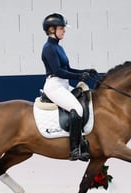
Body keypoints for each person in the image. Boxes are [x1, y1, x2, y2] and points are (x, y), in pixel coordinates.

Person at [41, 13, 98, 161]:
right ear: (51, 30)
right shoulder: (48, 48)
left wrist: (85, 71)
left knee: (86, 99)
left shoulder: (58, 47)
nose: (64, 31)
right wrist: (79, 77)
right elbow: (58, 71)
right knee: (77, 109)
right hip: (54, 86)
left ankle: (84, 141)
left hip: (64, 85)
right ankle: (74, 149)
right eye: (61, 28)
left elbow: (68, 68)